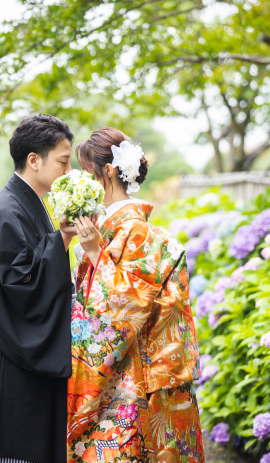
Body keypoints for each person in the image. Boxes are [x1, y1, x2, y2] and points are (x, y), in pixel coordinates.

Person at [67, 127, 205, 463]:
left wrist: (96, 254)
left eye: (87, 172)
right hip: (134, 374)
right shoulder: (120, 227)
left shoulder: (133, 230)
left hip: (130, 381)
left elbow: (127, 305)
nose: (82, 181)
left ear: (108, 172)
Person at [0, 114, 78, 463]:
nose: (68, 172)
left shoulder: (28, 205)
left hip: (11, 353)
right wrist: (62, 239)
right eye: (63, 162)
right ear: (34, 160)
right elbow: (22, 285)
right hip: (4, 362)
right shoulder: (6, 212)